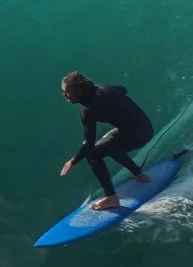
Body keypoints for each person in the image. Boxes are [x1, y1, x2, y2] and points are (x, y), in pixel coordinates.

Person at [58, 71, 155, 209]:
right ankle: (139, 175)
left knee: (93, 154)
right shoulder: (103, 88)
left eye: (67, 92)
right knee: (110, 141)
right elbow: (123, 89)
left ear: (78, 91)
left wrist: (73, 161)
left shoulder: (88, 110)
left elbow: (89, 143)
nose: (65, 96)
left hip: (137, 136)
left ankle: (111, 197)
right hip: (146, 128)